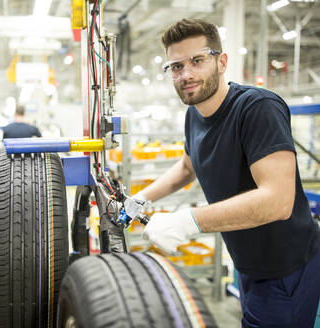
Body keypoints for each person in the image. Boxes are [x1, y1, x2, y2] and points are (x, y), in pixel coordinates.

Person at [135, 18, 320, 327]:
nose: (187, 74)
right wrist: (142, 197)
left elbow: (278, 200)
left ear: (221, 61)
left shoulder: (257, 109)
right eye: (176, 67)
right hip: (248, 262)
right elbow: (187, 166)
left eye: (197, 61)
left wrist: (187, 220)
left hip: (286, 269)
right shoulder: (193, 115)